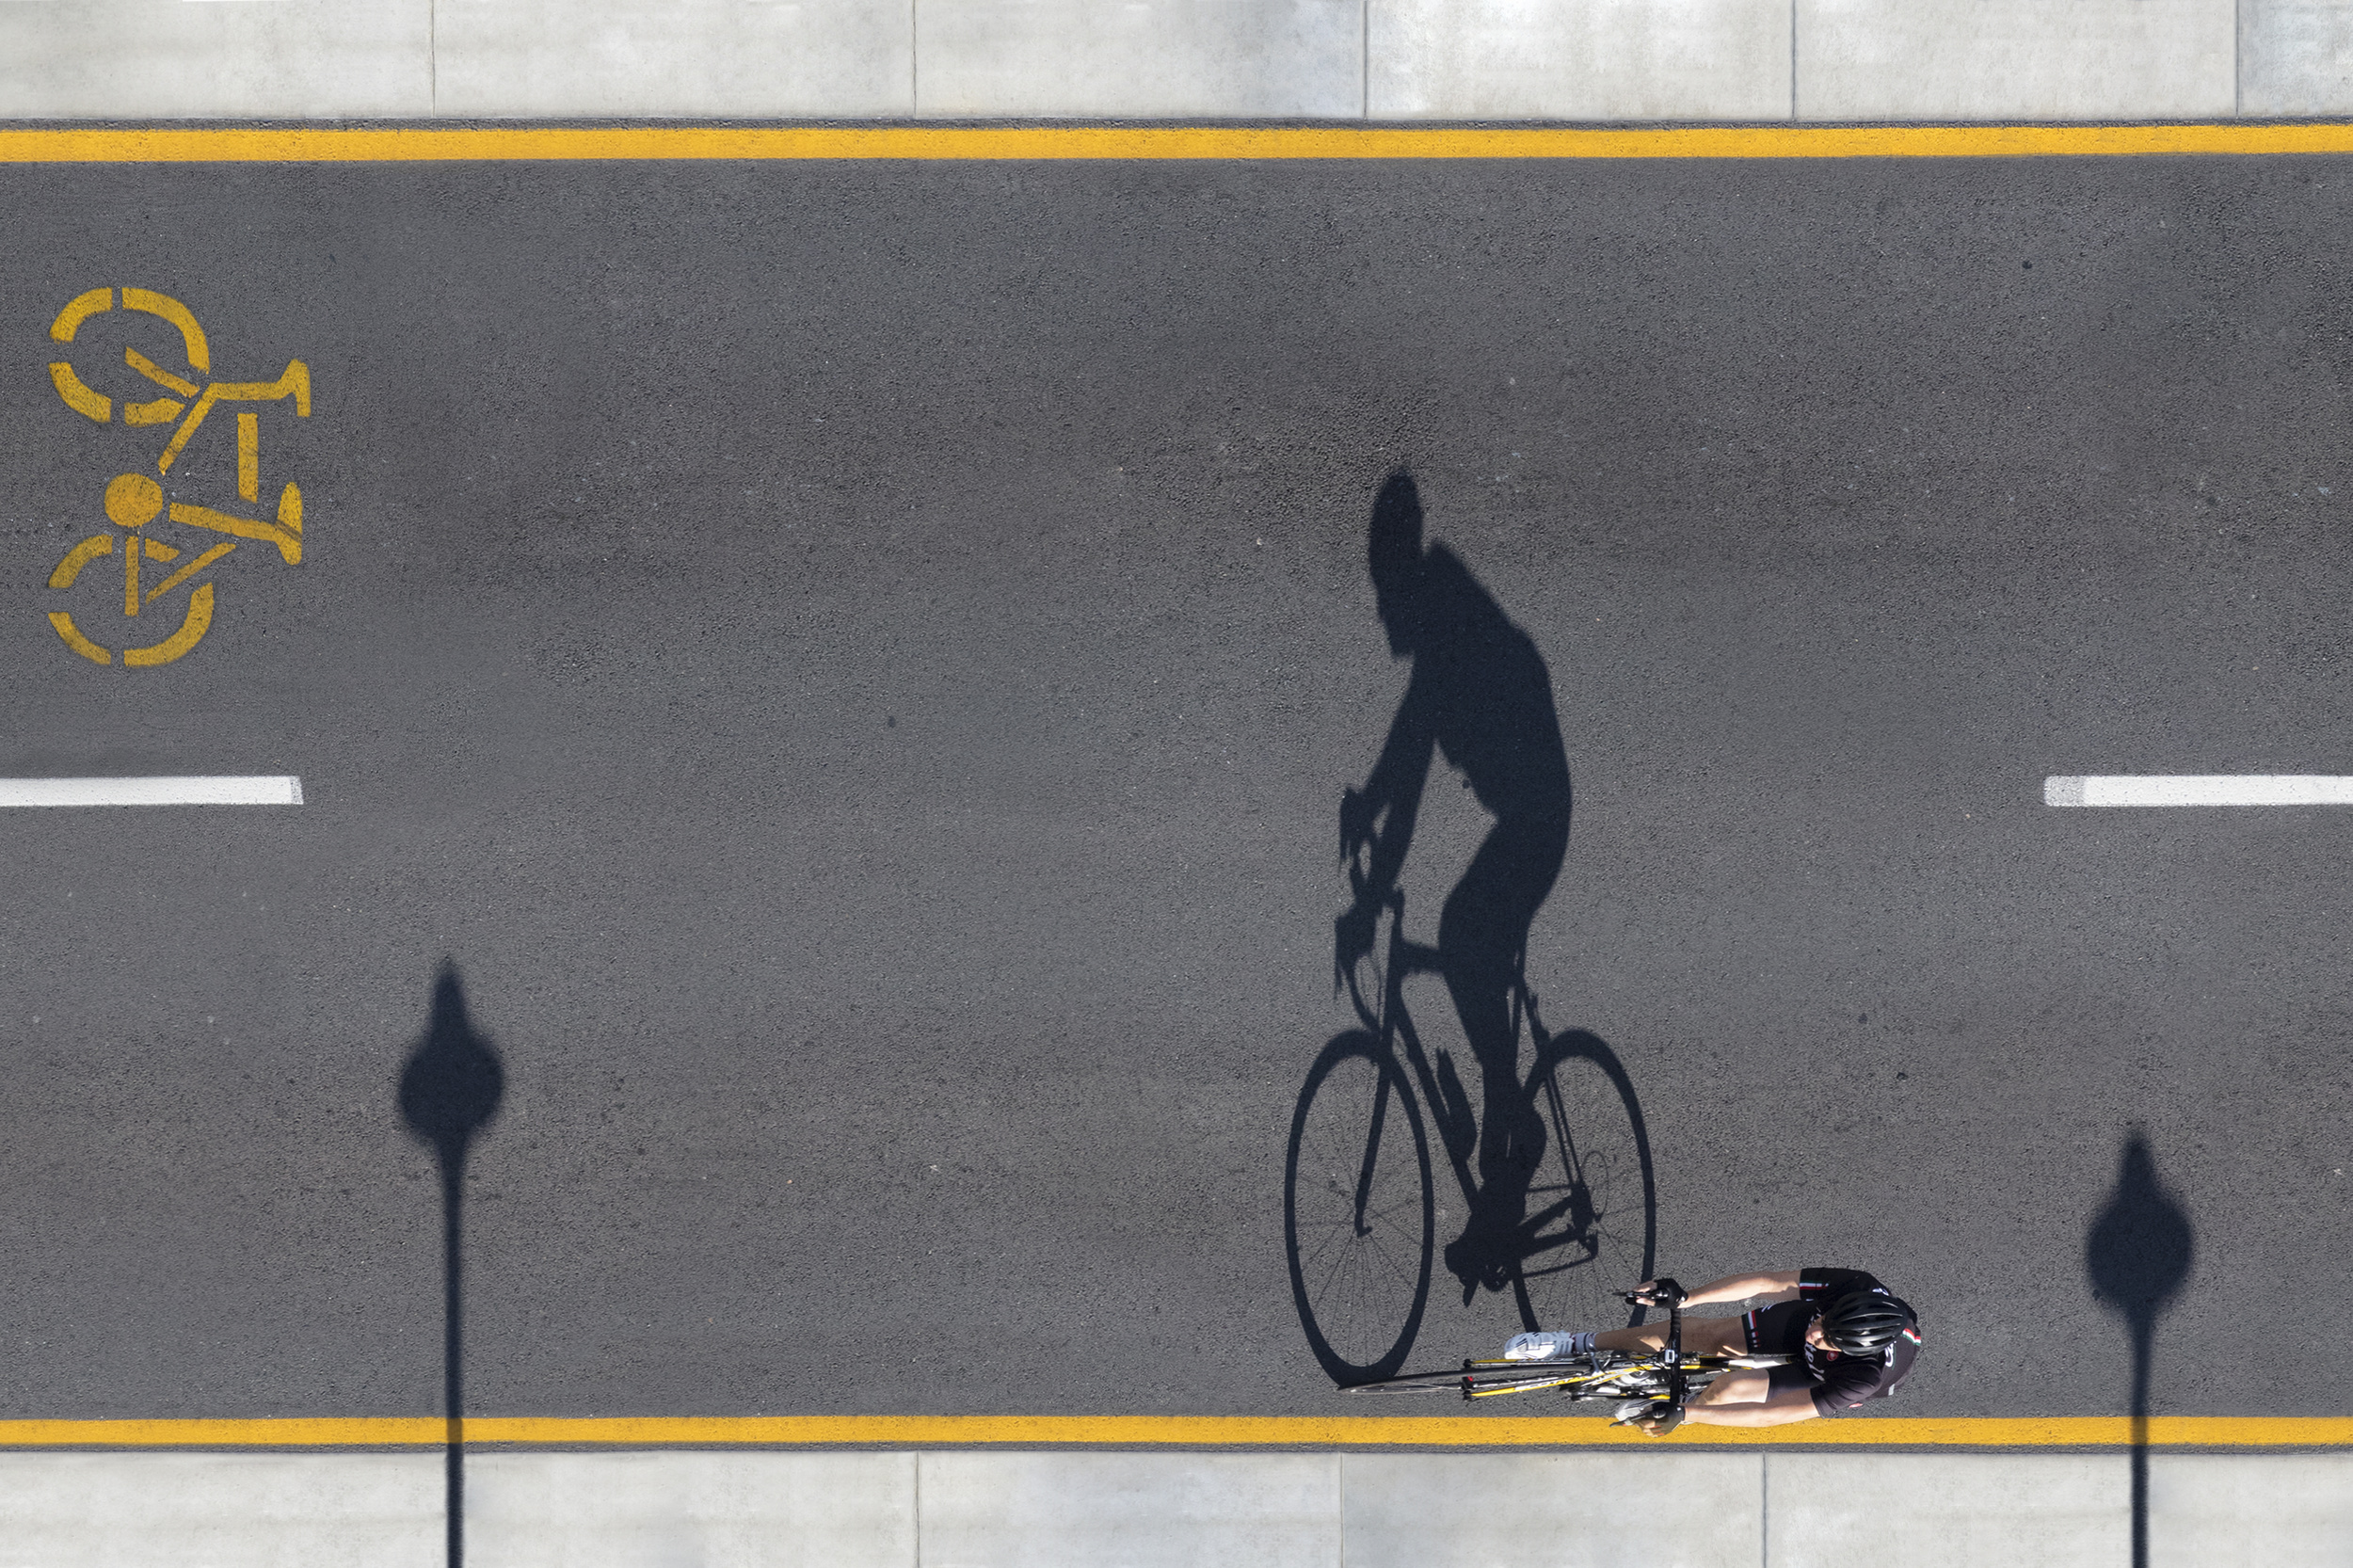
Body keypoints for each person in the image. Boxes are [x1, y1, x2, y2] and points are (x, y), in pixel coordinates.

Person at [1335, 470, 1573, 1292]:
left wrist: (1368, 905)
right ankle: (1502, 1141)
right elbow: (1404, 751)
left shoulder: (1447, 633)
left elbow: (1407, 796)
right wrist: (1366, 800)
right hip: (1529, 811)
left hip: (1537, 818)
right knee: (1470, 942)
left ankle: (1516, 1130)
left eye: (1383, 594)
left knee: (1466, 932)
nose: (1380, 614)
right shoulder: (1444, 612)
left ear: (1403, 581)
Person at [1503, 1270, 1921, 1432]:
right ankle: (1575, 1342)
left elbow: (1771, 1415)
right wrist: (1686, 1299)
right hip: (1814, 1324)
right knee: (1705, 1335)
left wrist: (1687, 1414)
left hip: (1824, 1377)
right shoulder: (1857, 1287)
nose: (1815, 1334)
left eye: (1826, 1340)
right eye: (1822, 1322)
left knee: (1728, 1391)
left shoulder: (1861, 1378)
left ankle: (1676, 1404)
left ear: (1849, 1349)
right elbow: (1769, 1283)